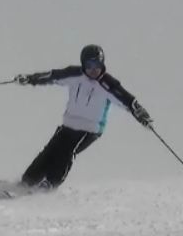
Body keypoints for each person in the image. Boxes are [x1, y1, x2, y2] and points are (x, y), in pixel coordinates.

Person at [13, 44, 153, 191]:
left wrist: (141, 115)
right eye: (89, 65)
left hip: (90, 129)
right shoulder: (74, 74)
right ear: (83, 64)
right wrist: (29, 79)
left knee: (67, 151)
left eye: (97, 65)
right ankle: (28, 181)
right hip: (69, 125)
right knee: (51, 150)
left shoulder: (108, 84)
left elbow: (128, 101)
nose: (93, 70)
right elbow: (51, 76)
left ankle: (51, 183)